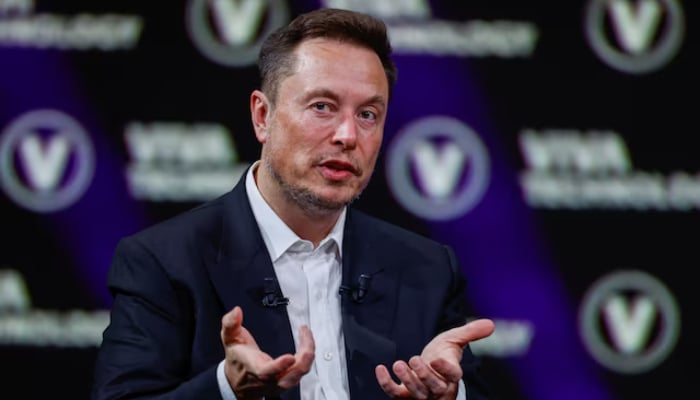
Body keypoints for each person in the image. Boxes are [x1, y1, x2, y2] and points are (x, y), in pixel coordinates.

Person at [91, 7, 494, 400]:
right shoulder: (164, 261)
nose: (347, 135)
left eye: (369, 114)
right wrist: (227, 389)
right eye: (322, 106)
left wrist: (450, 394)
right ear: (262, 116)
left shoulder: (426, 268)